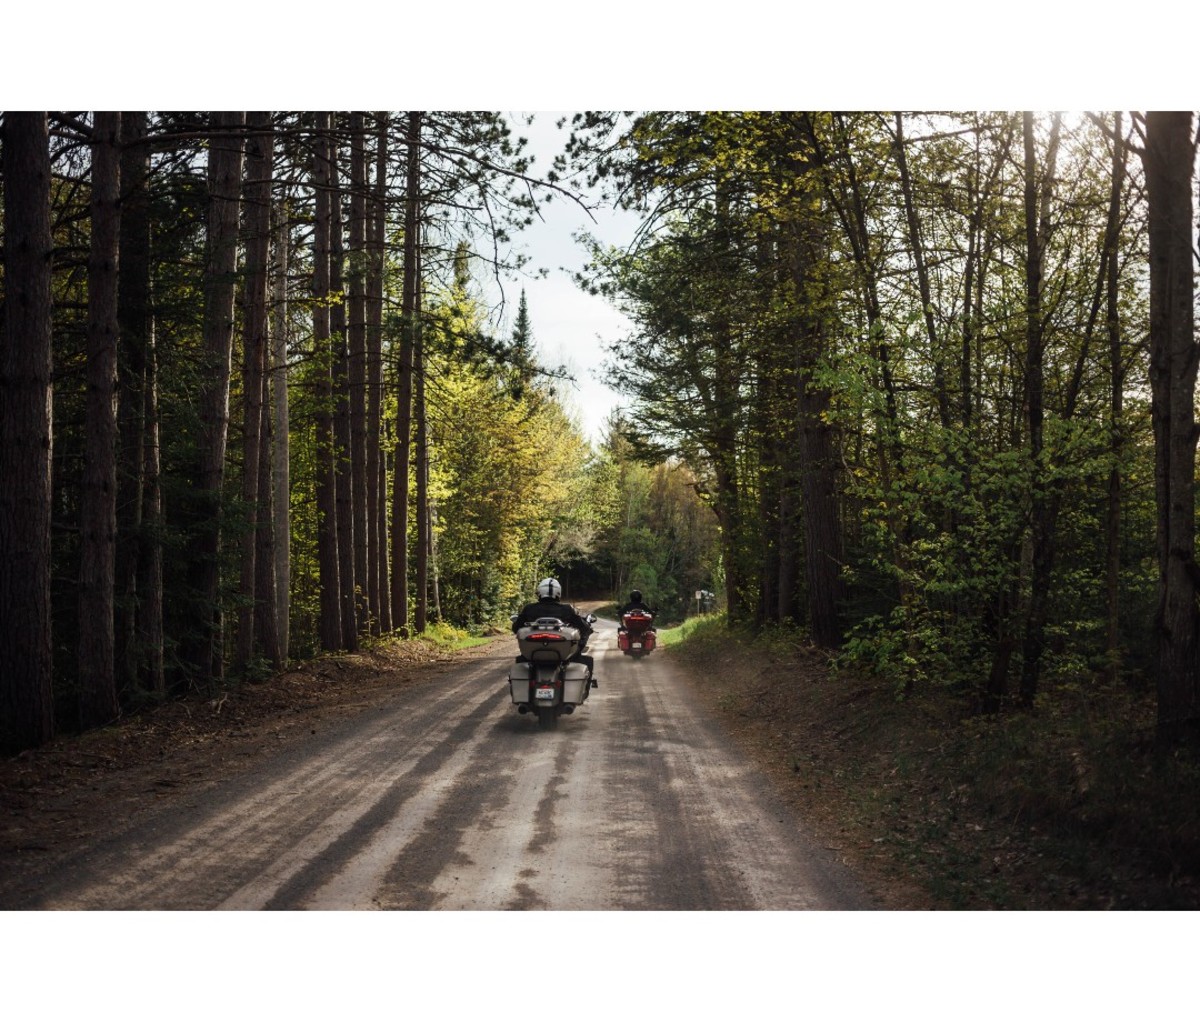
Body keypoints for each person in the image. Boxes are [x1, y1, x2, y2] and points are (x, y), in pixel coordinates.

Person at [512, 577, 596, 683]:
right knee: (581, 658)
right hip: (562, 655)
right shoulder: (566, 609)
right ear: (558, 592)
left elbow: (515, 628)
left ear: (539, 592)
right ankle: (587, 683)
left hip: (533, 655)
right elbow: (583, 627)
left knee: (521, 659)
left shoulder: (529, 608)